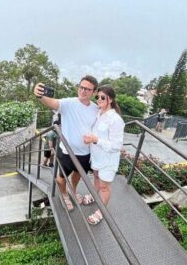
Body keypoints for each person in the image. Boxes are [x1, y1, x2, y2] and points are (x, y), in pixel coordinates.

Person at [34, 75, 99, 211]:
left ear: (94, 92)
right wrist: (40, 95)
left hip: (86, 152)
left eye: (87, 89)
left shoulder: (96, 109)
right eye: (81, 87)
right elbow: (52, 103)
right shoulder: (68, 103)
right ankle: (64, 194)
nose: (83, 91)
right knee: (61, 177)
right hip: (66, 151)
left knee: (79, 174)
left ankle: (73, 190)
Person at [82, 85, 125, 225]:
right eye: (97, 97)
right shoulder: (98, 113)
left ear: (110, 99)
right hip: (96, 156)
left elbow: (116, 146)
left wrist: (96, 140)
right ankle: (94, 196)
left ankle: (101, 212)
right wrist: (90, 139)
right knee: (96, 178)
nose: (99, 99)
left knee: (104, 187)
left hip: (108, 160)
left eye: (102, 97)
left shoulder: (116, 120)